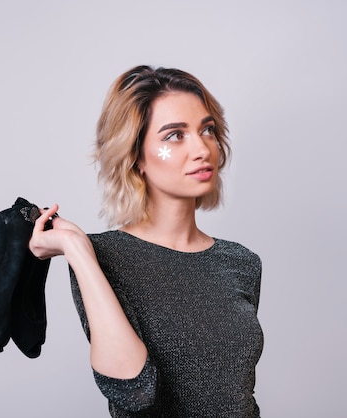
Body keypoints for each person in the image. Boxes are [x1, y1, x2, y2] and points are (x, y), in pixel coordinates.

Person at [29, 65, 263, 417]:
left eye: (207, 129)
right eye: (174, 135)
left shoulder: (241, 263)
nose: (202, 149)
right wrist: (78, 250)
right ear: (136, 156)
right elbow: (133, 390)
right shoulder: (103, 257)